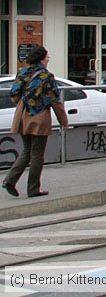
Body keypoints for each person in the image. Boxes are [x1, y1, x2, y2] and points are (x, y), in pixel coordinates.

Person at [3, 45, 68, 198]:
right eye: (47, 58)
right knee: (37, 154)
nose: (48, 60)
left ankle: (9, 180)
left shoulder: (23, 72)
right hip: (39, 117)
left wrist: (25, 103)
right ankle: (33, 189)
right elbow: (55, 101)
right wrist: (64, 121)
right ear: (41, 59)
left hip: (22, 116)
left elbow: (14, 95)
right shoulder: (46, 76)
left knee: (27, 151)